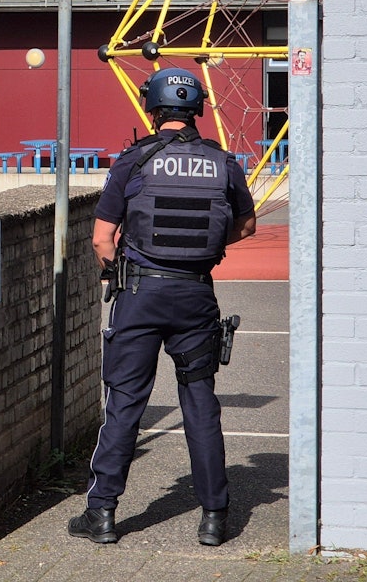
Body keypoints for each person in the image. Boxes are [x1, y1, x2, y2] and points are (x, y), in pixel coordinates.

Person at [67, 67, 257, 548]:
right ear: (196, 110)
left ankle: (103, 514)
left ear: (153, 109)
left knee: (125, 404)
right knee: (200, 403)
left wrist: (120, 269)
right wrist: (206, 249)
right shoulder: (223, 162)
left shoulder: (134, 161)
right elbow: (246, 226)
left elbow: (101, 238)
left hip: (140, 295)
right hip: (195, 295)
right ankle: (214, 517)